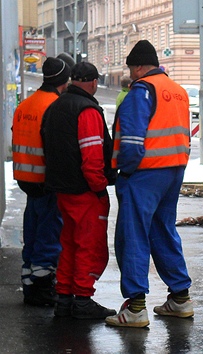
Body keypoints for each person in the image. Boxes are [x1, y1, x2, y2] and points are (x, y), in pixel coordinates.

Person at [106, 40, 193, 328]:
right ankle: (180, 298)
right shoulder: (178, 92)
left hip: (142, 174)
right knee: (163, 231)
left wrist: (125, 172)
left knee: (133, 236)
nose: (131, 74)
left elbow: (131, 143)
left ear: (140, 66)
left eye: (132, 68)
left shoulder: (141, 91)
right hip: (173, 170)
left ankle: (135, 308)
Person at [41, 61, 117, 319]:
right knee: (89, 246)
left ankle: (64, 299)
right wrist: (99, 187)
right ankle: (83, 300)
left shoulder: (55, 107)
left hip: (61, 190)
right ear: (94, 82)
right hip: (85, 192)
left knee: (69, 244)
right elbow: (92, 157)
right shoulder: (87, 111)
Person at [12, 55, 73, 306]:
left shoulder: (25, 105)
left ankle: (29, 280)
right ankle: (41, 285)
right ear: (63, 80)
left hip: (26, 179)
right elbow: (56, 147)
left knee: (33, 231)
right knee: (48, 235)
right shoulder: (55, 106)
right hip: (46, 180)